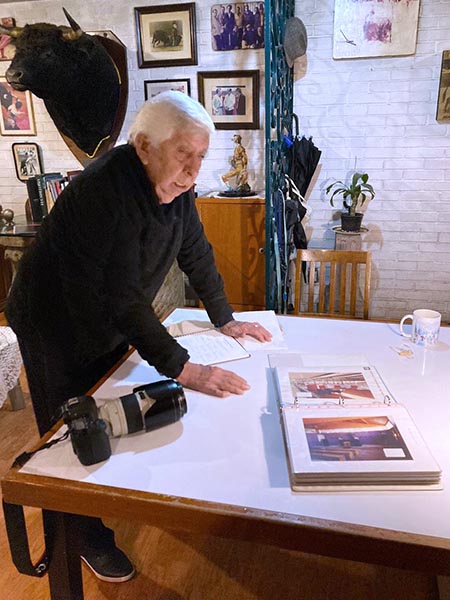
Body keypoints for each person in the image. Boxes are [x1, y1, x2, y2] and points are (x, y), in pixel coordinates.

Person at [6, 91, 271, 584]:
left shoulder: (175, 188)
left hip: (104, 318)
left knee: (109, 411)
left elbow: (196, 252)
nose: (193, 171)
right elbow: (123, 298)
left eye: (200, 157)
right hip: (52, 323)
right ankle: (82, 539)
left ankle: (106, 498)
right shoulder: (102, 192)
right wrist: (185, 368)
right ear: (144, 145)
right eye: (183, 154)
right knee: (70, 431)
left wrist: (226, 318)